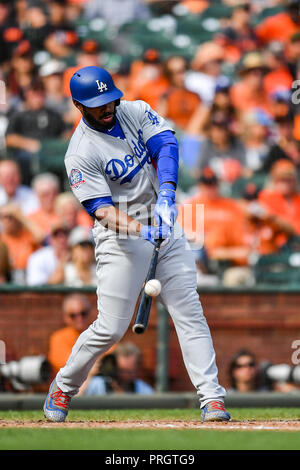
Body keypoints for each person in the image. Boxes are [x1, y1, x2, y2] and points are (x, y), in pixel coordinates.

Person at [43, 65, 230, 423]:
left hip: (165, 225)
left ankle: (212, 398)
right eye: (97, 104)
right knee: (111, 327)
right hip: (120, 238)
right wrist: (142, 232)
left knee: (189, 313)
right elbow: (102, 211)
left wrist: (167, 193)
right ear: (79, 106)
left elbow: (166, 145)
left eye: (109, 99)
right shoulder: (80, 152)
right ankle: (64, 385)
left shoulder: (135, 109)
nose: (107, 107)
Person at [81, 342, 154, 395]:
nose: (125, 376)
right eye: (122, 371)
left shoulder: (141, 388)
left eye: (130, 372)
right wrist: (90, 375)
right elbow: (75, 402)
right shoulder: (98, 384)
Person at [48, 293, 94, 375]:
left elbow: (109, 358)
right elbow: (68, 365)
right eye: (73, 315)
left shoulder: (98, 334)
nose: (79, 318)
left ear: (90, 312)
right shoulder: (58, 338)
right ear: (65, 317)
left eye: (83, 313)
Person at [26, 221, 70, 286]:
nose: (62, 240)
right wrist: (62, 263)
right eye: (57, 235)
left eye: (65, 234)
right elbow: (37, 287)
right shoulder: (38, 257)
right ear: (51, 239)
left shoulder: (77, 255)